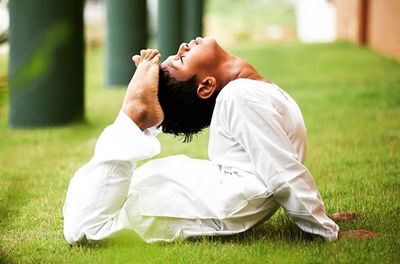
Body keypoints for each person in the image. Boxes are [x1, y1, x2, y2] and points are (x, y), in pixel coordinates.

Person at [63, 37, 375, 244]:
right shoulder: (242, 96)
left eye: (179, 56)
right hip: (202, 196)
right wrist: (324, 229)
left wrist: (316, 216)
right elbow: (281, 172)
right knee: (87, 228)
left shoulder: (246, 93)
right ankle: (136, 113)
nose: (184, 46)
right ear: (206, 86)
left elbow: (280, 166)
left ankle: (138, 116)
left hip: (206, 193)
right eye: (182, 59)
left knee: (89, 211)